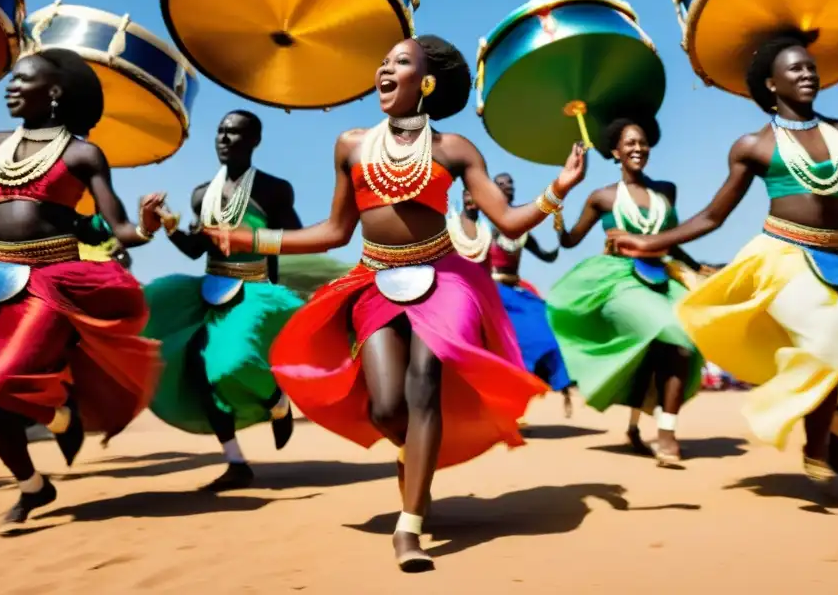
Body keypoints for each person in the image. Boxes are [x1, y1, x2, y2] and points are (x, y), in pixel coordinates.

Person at [204, 35, 586, 571]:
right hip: (375, 276)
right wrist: (253, 241)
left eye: (401, 63)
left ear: (426, 82)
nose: (385, 69)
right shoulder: (352, 144)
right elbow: (336, 231)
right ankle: (414, 460)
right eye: (383, 62)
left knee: (423, 384)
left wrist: (558, 190)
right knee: (387, 407)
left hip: (446, 276)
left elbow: (509, 220)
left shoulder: (454, 148)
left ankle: (410, 526)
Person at [607, 32, 838, 482]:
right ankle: (815, 446)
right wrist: (650, 244)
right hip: (784, 257)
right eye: (795, 68)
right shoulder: (753, 146)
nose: (808, 74)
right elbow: (713, 216)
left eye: (811, 67)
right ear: (771, 85)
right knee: (829, 347)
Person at [0, 49, 164, 531]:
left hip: (53, 282)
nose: (11, 86)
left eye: (23, 80)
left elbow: (121, 228)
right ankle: (32, 486)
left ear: (55, 93)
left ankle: (62, 409)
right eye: (11, 79)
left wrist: (147, 227)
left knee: (0, 382)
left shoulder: (82, 154)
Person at [141, 111, 303, 490]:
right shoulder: (202, 194)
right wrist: (168, 228)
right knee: (197, 372)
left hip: (256, 291)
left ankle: (276, 398)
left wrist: (249, 239)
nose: (224, 138)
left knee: (232, 364)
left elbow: (295, 237)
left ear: (254, 142)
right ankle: (235, 461)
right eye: (220, 130)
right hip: (211, 291)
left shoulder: (273, 189)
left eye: (234, 132)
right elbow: (196, 250)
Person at [547, 116, 706, 464]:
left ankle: (652, 428)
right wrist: (559, 198)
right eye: (630, 143)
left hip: (665, 275)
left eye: (643, 142)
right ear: (615, 152)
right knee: (669, 330)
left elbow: (671, 241)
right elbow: (570, 241)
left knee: (685, 340)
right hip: (620, 278)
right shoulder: (601, 197)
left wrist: (698, 267)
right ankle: (664, 436)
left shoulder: (666, 190)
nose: (638, 148)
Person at [490, 172, 574, 416]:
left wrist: (560, 230)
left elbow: (548, 256)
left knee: (547, 329)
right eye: (502, 184)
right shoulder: (484, 226)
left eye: (511, 183)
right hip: (491, 293)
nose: (508, 187)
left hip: (515, 293)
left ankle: (522, 398)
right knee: (509, 346)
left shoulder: (522, 229)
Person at [445, 188, 492, 270]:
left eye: (476, 196)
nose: (471, 199)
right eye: (468, 195)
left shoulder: (486, 233)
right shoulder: (450, 226)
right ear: (463, 196)